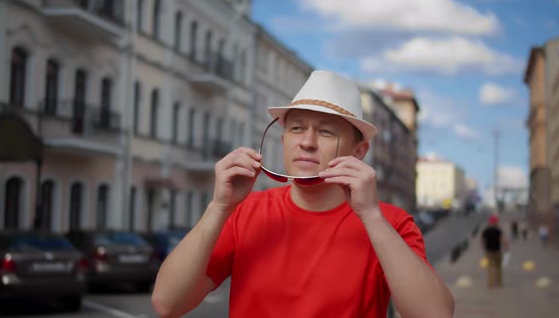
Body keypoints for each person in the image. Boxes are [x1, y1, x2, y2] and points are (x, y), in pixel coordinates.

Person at [151, 70, 454, 318]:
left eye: (325, 132)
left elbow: (435, 314)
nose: (306, 142)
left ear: (358, 151)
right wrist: (219, 206)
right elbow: (168, 304)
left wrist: (371, 217)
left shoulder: (390, 222)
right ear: (282, 140)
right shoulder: (244, 211)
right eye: (297, 128)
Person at [481, 215, 507, 288]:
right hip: (497, 251)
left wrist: (484, 248)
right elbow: (503, 240)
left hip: (488, 251)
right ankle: (499, 283)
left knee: (490, 268)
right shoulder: (498, 231)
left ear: (489, 222)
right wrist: (506, 247)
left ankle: (491, 284)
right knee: (498, 268)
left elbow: (482, 240)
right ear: (496, 222)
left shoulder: (486, 231)